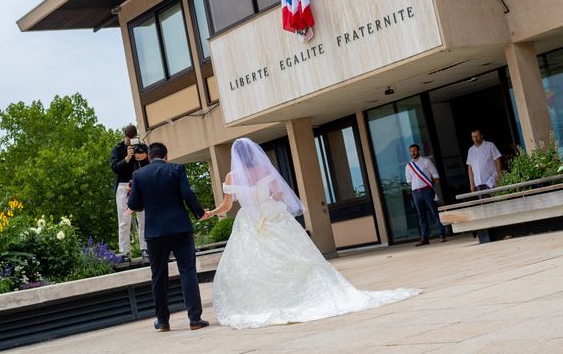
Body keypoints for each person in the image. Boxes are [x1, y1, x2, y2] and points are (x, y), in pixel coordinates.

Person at [204, 138, 419, 329]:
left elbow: (226, 205)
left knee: (251, 265)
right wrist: (269, 199)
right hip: (272, 215)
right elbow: (277, 195)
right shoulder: (263, 169)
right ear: (253, 154)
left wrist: (212, 212)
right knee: (294, 256)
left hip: (249, 222)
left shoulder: (232, 177)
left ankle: (265, 302)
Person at [126, 142, 210, 332]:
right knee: (187, 272)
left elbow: (134, 204)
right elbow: (187, 193)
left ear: (149, 156)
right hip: (180, 228)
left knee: (158, 276)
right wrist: (199, 213)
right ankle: (195, 318)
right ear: (166, 156)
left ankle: (163, 321)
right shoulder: (177, 169)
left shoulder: (139, 175)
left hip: (155, 233)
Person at [110, 124, 149, 259]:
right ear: (124, 137)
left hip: (139, 183)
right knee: (124, 220)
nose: (129, 142)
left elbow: (151, 163)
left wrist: (145, 157)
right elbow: (115, 167)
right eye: (128, 140)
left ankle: (145, 248)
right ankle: (124, 251)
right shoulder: (118, 149)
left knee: (143, 218)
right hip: (123, 184)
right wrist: (127, 158)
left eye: (132, 139)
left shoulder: (142, 147)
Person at [405, 144, 447, 246]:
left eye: (415, 151)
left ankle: (442, 234)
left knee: (434, 213)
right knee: (421, 216)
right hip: (416, 192)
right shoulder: (408, 166)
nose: (413, 153)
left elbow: (436, 176)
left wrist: (429, 185)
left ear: (419, 151)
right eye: (411, 151)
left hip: (427, 191)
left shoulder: (426, 161)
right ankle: (425, 238)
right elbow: (409, 181)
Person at [467, 129, 503, 194]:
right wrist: (471, 184)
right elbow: (470, 168)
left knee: (495, 202)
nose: (475, 139)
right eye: (473, 137)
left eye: (477, 136)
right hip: (478, 183)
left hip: (491, 181)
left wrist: (498, 177)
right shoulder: (471, 150)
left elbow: (498, 161)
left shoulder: (490, 145)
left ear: (481, 136)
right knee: (483, 203)